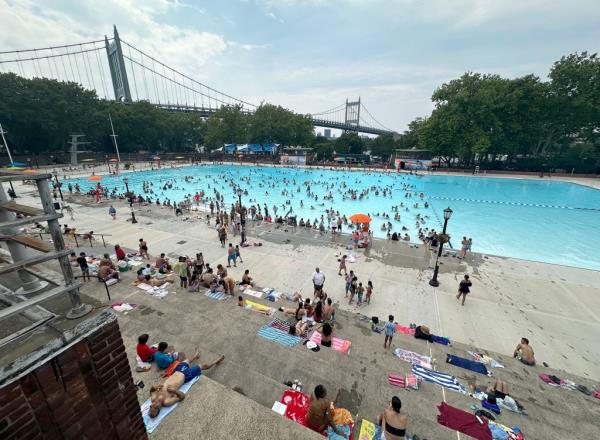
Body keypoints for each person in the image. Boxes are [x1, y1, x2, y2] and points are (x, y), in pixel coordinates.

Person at [148, 348, 224, 418]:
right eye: (156, 408)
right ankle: (216, 361)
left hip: (176, 372)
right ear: (159, 409)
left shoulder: (153, 398)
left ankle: (195, 356)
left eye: (152, 407)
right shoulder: (167, 402)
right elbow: (182, 397)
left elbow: (151, 390)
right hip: (185, 375)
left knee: (186, 360)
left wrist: (154, 387)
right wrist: (174, 391)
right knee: (203, 366)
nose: (154, 406)